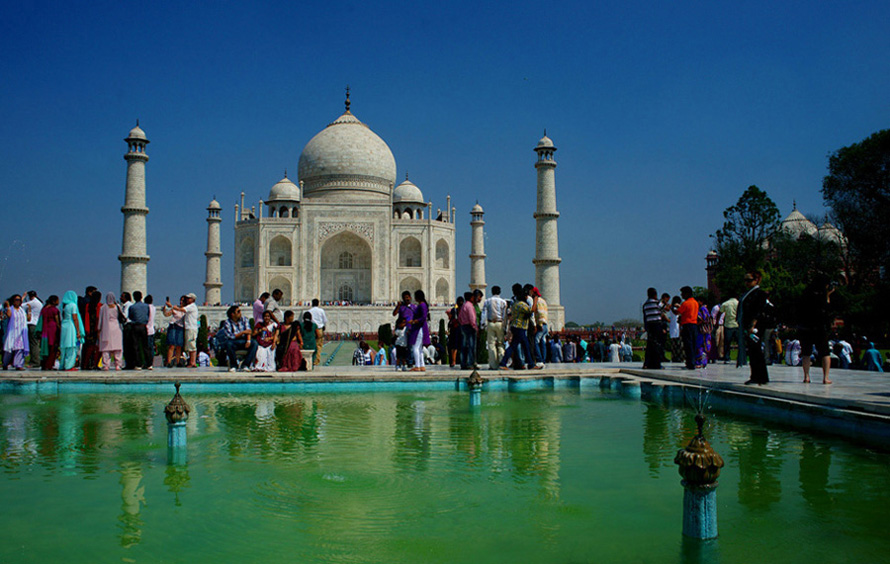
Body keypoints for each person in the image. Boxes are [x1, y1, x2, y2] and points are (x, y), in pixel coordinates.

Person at [798, 275, 834, 385]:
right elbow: (826, 309)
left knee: (806, 353)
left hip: (806, 326)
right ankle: (826, 377)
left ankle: (806, 376)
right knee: (825, 353)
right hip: (820, 327)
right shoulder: (822, 294)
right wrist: (828, 296)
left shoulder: (807, 292)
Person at [739, 270, 769, 385]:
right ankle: (756, 375)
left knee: (756, 350)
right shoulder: (748, 293)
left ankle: (759, 376)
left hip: (755, 326)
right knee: (752, 351)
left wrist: (753, 324)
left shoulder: (759, 293)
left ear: (756, 280)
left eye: (749, 280)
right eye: (745, 280)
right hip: (748, 325)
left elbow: (759, 310)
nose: (746, 283)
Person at [499, 285, 537, 370]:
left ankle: (531, 364)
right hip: (520, 328)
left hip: (516, 327)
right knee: (516, 346)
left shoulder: (516, 303)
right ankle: (503, 363)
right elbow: (532, 310)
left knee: (521, 346)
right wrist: (535, 300)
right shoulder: (521, 304)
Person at [218, 305, 258, 372]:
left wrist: (248, 341)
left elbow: (249, 331)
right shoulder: (227, 322)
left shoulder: (244, 319)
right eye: (238, 311)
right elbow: (230, 336)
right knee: (228, 344)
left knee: (254, 343)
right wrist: (242, 333)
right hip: (234, 342)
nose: (240, 313)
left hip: (244, 340)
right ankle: (234, 365)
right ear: (232, 314)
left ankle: (245, 365)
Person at [168, 293, 199, 368]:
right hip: (188, 328)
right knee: (190, 346)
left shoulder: (191, 306)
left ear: (193, 299)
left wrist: (171, 306)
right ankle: (192, 362)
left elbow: (181, 310)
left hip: (191, 328)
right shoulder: (189, 306)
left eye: (189, 298)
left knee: (192, 346)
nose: (187, 299)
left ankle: (192, 362)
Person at [481, 286, 508, 369]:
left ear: (492, 292)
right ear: (499, 292)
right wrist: (505, 326)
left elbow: (484, 313)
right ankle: (502, 362)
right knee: (501, 344)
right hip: (500, 323)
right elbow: (504, 315)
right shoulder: (503, 302)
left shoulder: (487, 301)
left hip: (490, 323)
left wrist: (482, 324)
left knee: (491, 344)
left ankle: (493, 365)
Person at [97, 292, 124, 371]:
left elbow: (100, 319)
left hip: (106, 329)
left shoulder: (103, 307)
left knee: (106, 348)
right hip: (116, 328)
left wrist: (99, 329)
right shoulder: (117, 306)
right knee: (117, 348)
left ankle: (106, 365)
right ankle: (118, 365)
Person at [3, 294, 30, 370]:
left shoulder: (22, 310)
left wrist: (30, 310)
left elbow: (28, 319)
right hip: (13, 332)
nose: (18, 302)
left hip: (21, 332)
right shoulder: (11, 309)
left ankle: (19, 365)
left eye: (19, 300)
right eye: (16, 300)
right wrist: (8, 305)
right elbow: (9, 315)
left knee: (20, 348)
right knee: (9, 349)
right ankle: (6, 363)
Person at [59, 291, 84, 371]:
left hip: (64, 326)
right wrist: (78, 331)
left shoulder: (63, 306)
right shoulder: (73, 305)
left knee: (64, 346)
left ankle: (63, 365)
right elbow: (75, 318)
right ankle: (69, 366)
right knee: (72, 346)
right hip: (71, 326)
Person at [127, 291, 152, 370]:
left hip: (135, 326)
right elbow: (148, 315)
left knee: (136, 346)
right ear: (141, 297)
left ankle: (138, 364)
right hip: (144, 327)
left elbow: (130, 317)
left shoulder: (132, 307)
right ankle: (149, 364)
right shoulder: (146, 306)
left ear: (134, 297)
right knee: (146, 346)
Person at [408, 290, 431, 372]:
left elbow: (423, 317)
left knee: (415, 347)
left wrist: (414, 321)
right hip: (420, 327)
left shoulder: (422, 305)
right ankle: (422, 365)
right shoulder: (422, 305)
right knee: (420, 348)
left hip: (419, 328)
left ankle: (417, 366)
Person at [642, 287, 664, 369]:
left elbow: (645, 317)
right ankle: (657, 364)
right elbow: (666, 308)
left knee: (650, 344)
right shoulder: (657, 303)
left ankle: (647, 363)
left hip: (649, 325)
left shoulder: (645, 305)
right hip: (657, 325)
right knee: (658, 345)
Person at [37, 295, 61, 370]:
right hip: (52, 330)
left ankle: (44, 365)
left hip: (45, 330)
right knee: (52, 348)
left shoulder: (44, 309)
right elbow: (57, 321)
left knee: (45, 348)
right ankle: (49, 365)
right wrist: (60, 329)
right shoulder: (54, 310)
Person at [677, 287, 699, 370]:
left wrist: (673, 307)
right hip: (694, 324)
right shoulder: (695, 303)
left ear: (687, 294)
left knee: (688, 345)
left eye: (682, 293)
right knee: (693, 345)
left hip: (687, 325)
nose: (681, 295)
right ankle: (693, 361)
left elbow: (678, 312)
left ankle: (690, 363)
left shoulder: (686, 303)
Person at [81, 290, 102, 370]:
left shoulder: (88, 305)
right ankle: (95, 364)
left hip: (89, 328)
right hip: (97, 329)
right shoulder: (100, 306)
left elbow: (86, 317)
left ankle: (85, 364)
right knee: (97, 348)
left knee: (88, 348)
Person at [162, 296, 186, 367]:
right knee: (171, 345)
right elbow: (167, 314)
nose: (181, 302)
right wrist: (165, 310)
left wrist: (171, 306)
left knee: (179, 345)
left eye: (183, 301)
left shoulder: (186, 309)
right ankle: (169, 362)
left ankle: (178, 362)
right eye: (180, 300)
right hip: (173, 326)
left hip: (181, 327)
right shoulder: (175, 308)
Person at [458, 291, 478, 369]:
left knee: (463, 346)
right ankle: (470, 364)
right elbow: (472, 318)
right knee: (471, 346)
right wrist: (475, 327)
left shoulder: (463, 306)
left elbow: (459, 317)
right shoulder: (469, 306)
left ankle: (463, 363)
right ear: (471, 298)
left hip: (463, 326)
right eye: (473, 297)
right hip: (469, 327)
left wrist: (462, 324)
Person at [530, 287, 549, 367]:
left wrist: (540, 324)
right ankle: (543, 360)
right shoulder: (543, 301)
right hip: (545, 324)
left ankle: (539, 360)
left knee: (536, 341)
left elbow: (540, 313)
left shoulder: (537, 301)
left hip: (541, 324)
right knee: (543, 343)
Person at [24, 291, 42, 368]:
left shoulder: (33, 303)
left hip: (32, 324)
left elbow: (20, 305)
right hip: (36, 324)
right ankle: (35, 360)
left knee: (33, 344)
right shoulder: (39, 303)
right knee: (35, 344)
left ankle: (35, 361)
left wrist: (23, 297)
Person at [307, 299, 328, 366]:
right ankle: (316, 362)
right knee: (318, 346)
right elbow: (325, 320)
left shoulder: (309, 311)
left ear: (312, 303)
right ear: (318, 303)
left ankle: (310, 360)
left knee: (311, 344)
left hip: (311, 329)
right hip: (319, 329)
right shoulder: (321, 311)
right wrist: (324, 327)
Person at [720, 296, 739, 363]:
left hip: (728, 324)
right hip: (737, 324)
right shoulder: (738, 303)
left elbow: (721, 311)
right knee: (739, 342)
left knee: (727, 343)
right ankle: (740, 357)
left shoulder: (725, 303)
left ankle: (727, 358)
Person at [696, 298, 713, 369]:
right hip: (707, 331)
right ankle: (704, 362)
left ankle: (700, 362)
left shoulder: (701, 309)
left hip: (702, 330)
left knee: (700, 346)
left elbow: (701, 319)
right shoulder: (706, 310)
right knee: (705, 346)